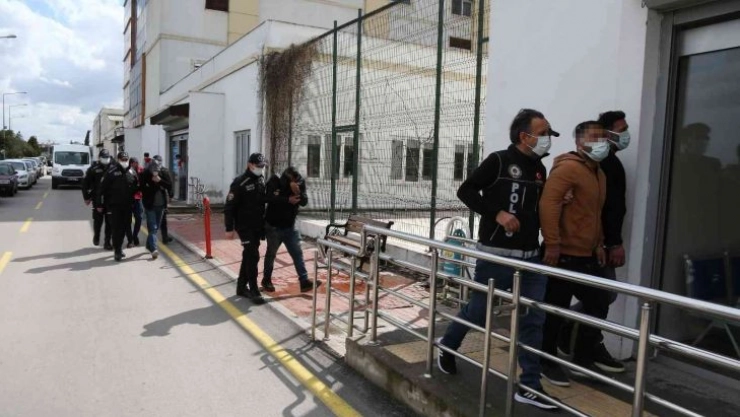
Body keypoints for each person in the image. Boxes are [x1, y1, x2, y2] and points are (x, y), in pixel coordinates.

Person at [437, 109, 559, 411]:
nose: (547, 138)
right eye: (542, 133)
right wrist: (497, 214)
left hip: (531, 259)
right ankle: (447, 345)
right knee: (479, 311)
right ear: (524, 136)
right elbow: (466, 190)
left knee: (533, 320)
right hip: (495, 256)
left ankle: (529, 386)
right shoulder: (499, 161)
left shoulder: (539, 169)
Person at [557, 112, 629, 373]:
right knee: (601, 295)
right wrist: (612, 243)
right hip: (586, 246)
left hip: (596, 244)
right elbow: (605, 209)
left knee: (601, 297)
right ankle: (580, 343)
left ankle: (576, 337)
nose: (626, 134)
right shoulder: (593, 165)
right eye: (621, 129)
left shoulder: (604, 166)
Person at [539, 121, 609, 386]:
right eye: (595, 137)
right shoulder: (568, 168)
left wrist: (599, 244)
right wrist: (552, 243)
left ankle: (582, 358)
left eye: (604, 137)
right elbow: (549, 204)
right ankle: (546, 360)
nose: (602, 142)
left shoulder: (598, 173)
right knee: (554, 310)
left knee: (598, 303)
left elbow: (594, 214)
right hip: (563, 254)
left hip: (587, 254)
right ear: (580, 143)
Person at [262, 167, 322, 293]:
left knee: (297, 253)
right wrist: (287, 199)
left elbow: (304, 202)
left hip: (290, 226)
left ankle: (304, 281)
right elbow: (268, 198)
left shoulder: (299, 182)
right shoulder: (275, 180)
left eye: (296, 180)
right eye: (292, 180)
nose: (295, 182)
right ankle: (266, 280)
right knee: (271, 254)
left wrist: (298, 192)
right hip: (273, 226)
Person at [225, 153, 268, 304]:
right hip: (244, 226)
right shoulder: (239, 182)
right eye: (259, 166)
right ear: (250, 165)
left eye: (263, 166)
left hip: (257, 225)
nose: (261, 168)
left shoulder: (261, 179)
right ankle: (254, 289)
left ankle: (241, 287)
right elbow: (229, 207)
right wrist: (229, 228)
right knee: (253, 256)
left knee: (249, 255)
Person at [98, 151, 139, 262]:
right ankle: (117, 251)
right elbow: (102, 189)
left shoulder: (132, 172)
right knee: (117, 229)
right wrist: (100, 204)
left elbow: (137, 186)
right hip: (114, 206)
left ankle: (119, 248)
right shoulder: (111, 172)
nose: (124, 161)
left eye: (126, 159)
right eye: (122, 159)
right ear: (118, 159)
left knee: (125, 227)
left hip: (128, 206)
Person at [141, 155, 173, 260]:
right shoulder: (145, 173)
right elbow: (141, 187)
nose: (156, 171)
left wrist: (160, 181)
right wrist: (150, 185)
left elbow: (169, 185)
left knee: (156, 227)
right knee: (153, 227)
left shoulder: (164, 171)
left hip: (161, 204)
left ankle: (149, 244)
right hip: (150, 205)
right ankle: (154, 249)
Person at [83, 149, 113, 250]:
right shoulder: (93, 169)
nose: (106, 159)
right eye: (103, 157)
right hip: (97, 198)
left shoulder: (113, 167)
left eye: (107, 157)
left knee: (110, 222)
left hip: (110, 199)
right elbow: (85, 184)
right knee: (98, 221)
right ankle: (96, 235)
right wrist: (86, 197)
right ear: (99, 158)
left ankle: (107, 242)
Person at [128, 157, 144, 248]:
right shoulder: (127, 171)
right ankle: (130, 239)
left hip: (138, 198)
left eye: (137, 162)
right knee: (128, 220)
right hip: (129, 198)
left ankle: (135, 235)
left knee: (139, 218)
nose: (136, 164)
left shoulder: (141, 170)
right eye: (134, 163)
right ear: (130, 163)